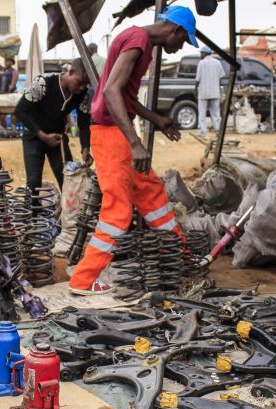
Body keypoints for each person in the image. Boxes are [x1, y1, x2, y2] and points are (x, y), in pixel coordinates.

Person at [68, 5, 197, 295]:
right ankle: (83, 280)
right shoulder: (138, 40)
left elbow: (125, 96)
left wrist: (157, 119)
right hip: (112, 135)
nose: (180, 48)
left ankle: (180, 259)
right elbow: (112, 92)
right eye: (184, 40)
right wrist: (136, 144)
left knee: (153, 196)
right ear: (174, 30)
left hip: (118, 132)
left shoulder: (141, 42)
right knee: (118, 211)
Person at [15, 58, 89, 191]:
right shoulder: (43, 83)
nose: (82, 87)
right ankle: (34, 211)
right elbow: (20, 110)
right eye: (80, 82)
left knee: (68, 179)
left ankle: (68, 211)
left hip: (57, 139)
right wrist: (42, 135)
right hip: (34, 136)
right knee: (33, 183)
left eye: (86, 84)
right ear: (71, 72)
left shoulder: (81, 94)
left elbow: (84, 123)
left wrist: (85, 147)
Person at [195, 46, 225, 138]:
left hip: (203, 92)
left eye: (201, 53)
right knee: (216, 113)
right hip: (215, 92)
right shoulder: (217, 63)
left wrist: (195, 88)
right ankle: (218, 131)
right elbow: (220, 78)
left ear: (204, 54)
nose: (200, 55)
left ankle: (202, 132)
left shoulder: (202, 63)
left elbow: (198, 79)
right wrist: (219, 90)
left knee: (202, 113)